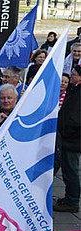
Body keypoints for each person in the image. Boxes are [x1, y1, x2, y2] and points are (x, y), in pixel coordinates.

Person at [54, 65, 80, 212]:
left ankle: (72, 201)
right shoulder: (74, 90)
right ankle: (70, 197)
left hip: (73, 140)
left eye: (74, 75)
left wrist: (65, 131)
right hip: (70, 139)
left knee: (71, 171)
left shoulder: (78, 93)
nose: (71, 77)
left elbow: (75, 119)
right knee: (68, 170)